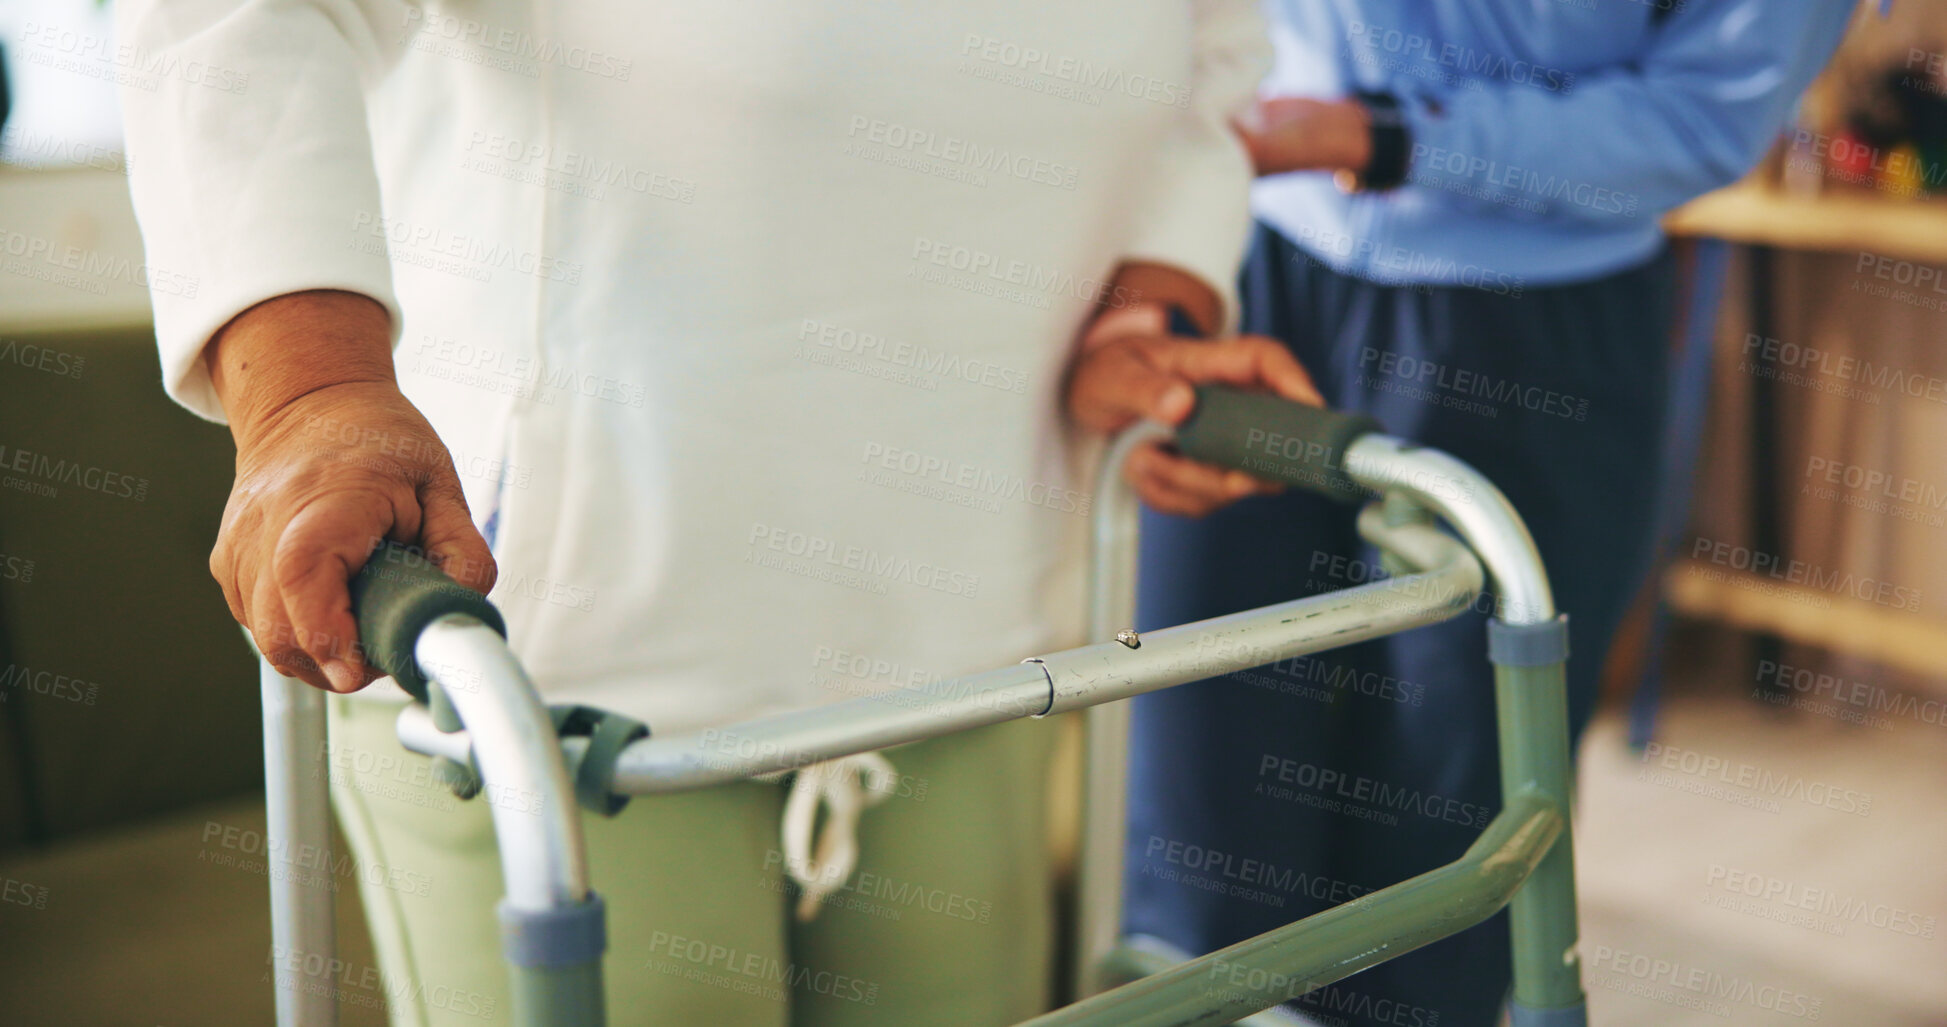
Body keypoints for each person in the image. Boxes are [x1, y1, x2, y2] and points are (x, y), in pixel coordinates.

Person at [115, 1, 1321, 1023]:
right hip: (565, 672)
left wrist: (1148, 308)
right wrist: (312, 392)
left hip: (979, 646)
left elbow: (1206, 69)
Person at [1123, 3, 1858, 1025]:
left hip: (1530, 318)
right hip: (1255, 253)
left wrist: (1382, 132)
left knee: (1447, 832)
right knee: (1199, 788)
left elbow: (1706, 115)